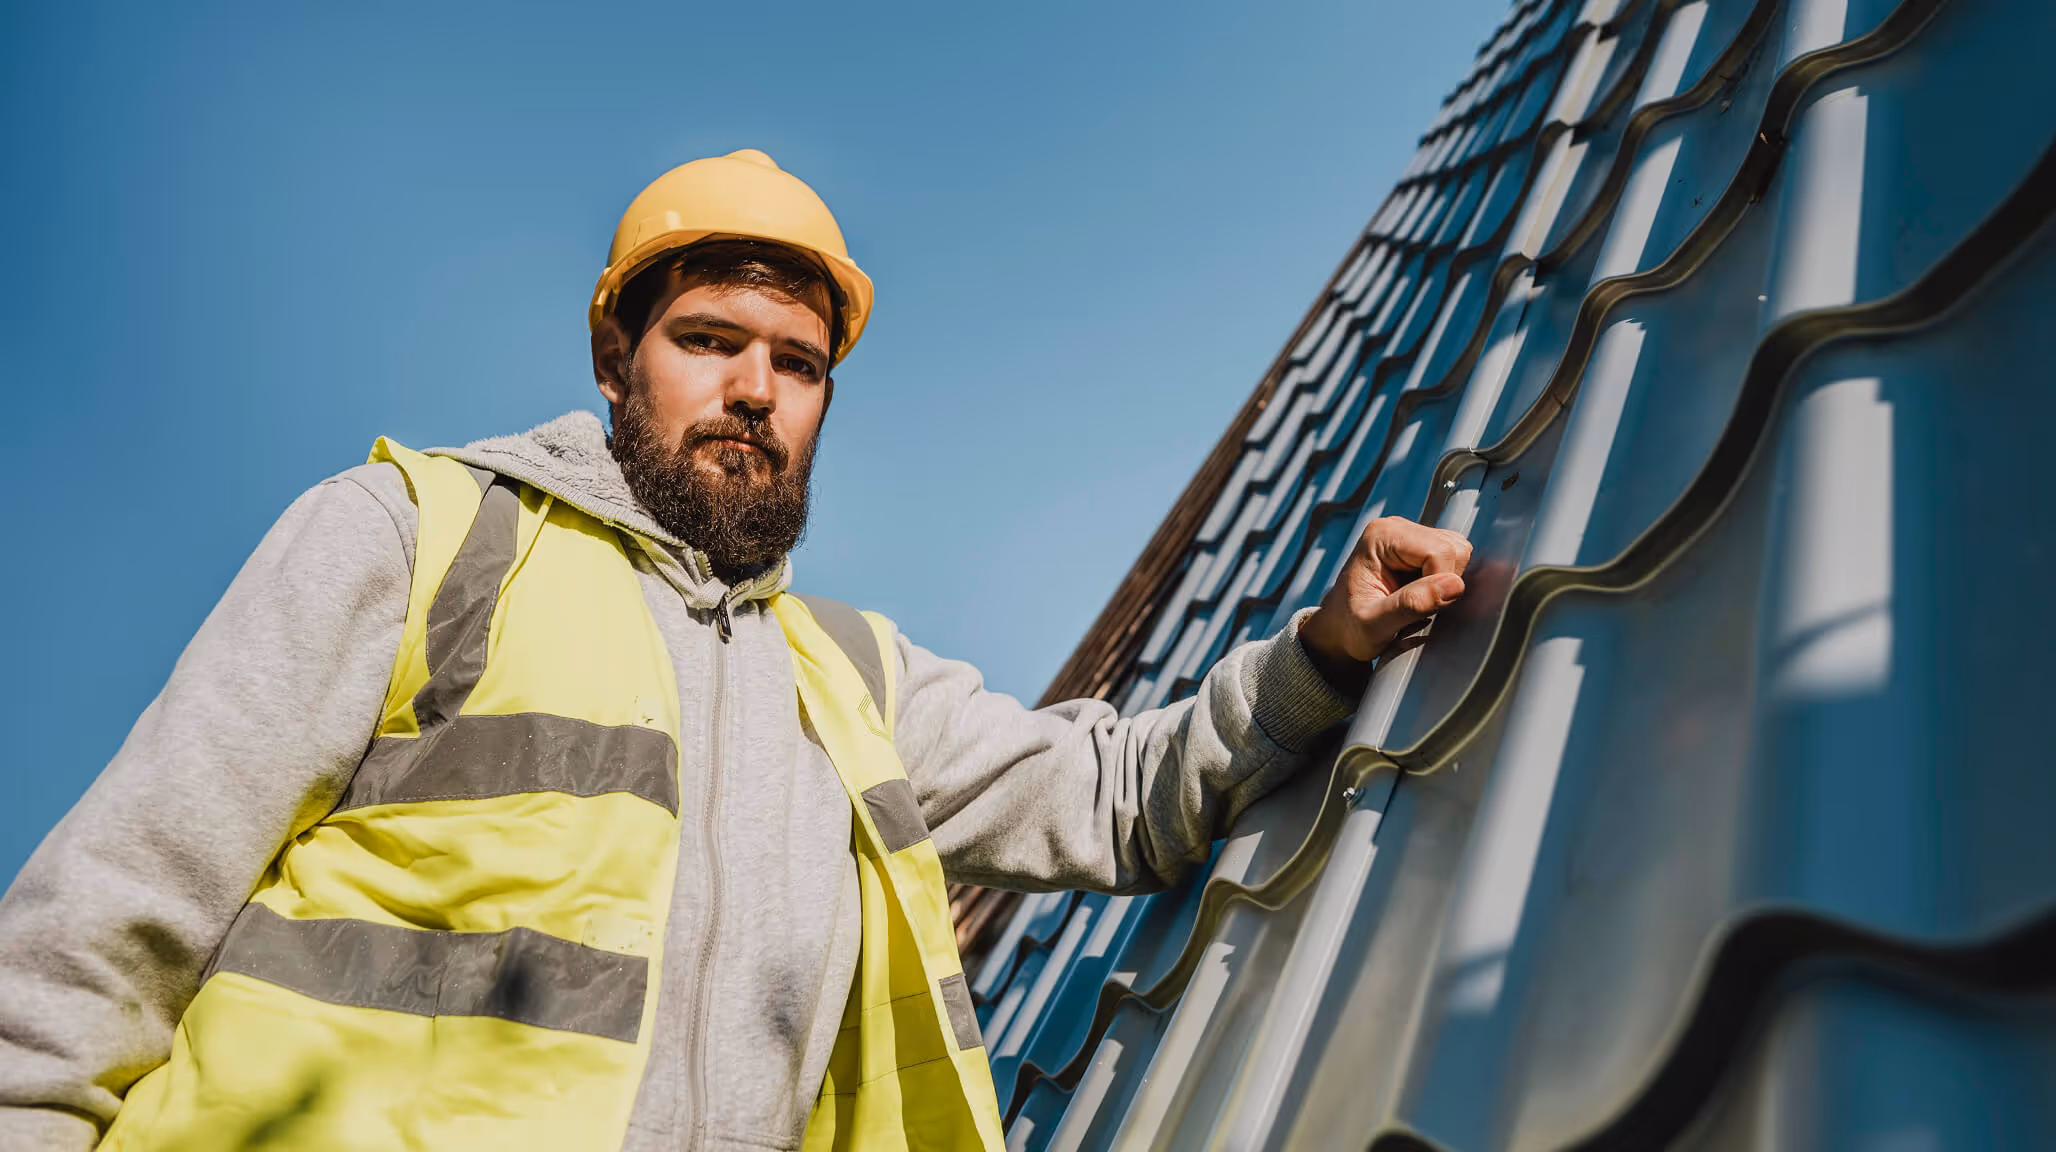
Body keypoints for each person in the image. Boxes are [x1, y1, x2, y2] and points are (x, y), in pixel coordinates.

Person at [0, 149, 1471, 1152]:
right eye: (709, 339)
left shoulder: (847, 681)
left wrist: (1330, 645)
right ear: (614, 360)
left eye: (800, 362)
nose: (756, 390)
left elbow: (1118, 793)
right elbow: (97, 936)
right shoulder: (416, 538)